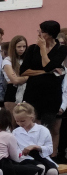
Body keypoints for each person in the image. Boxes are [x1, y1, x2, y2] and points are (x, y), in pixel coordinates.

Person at [20, 21, 67, 154]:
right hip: (33, 93)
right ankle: (33, 155)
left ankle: (50, 157)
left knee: (49, 129)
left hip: (51, 96)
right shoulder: (32, 49)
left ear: (50, 34)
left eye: (42, 31)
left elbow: (48, 65)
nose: (39, 34)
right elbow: (23, 71)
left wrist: (43, 49)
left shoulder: (61, 49)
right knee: (33, 126)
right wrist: (46, 72)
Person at [12, 103, 58, 175]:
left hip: (41, 156)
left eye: (23, 121)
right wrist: (21, 152)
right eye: (17, 121)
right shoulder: (15, 132)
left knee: (53, 172)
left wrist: (36, 147)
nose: (20, 123)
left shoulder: (42, 130)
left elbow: (50, 149)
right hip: (24, 158)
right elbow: (14, 148)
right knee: (40, 168)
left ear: (31, 117)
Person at [2, 35, 29, 111]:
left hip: (26, 91)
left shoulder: (27, 60)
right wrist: (29, 77)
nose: (22, 49)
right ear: (13, 47)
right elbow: (15, 80)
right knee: (13, 117)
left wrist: (21, 78)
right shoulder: (7, 60)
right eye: (19, 47)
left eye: (24, 46)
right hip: (12, 92)